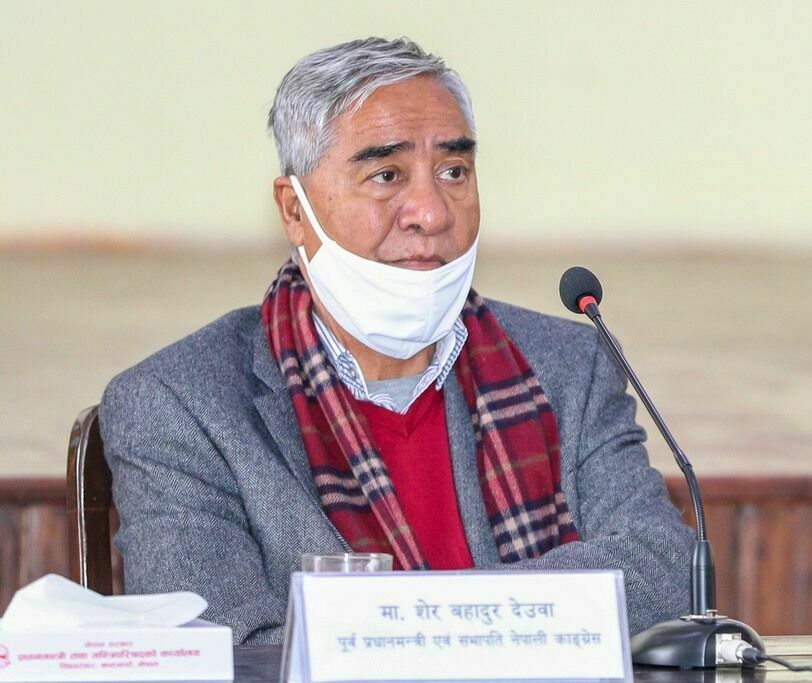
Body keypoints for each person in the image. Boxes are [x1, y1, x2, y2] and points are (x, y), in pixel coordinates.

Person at [100, 37, 695, 645]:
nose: (431, 213)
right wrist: (503, 620)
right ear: (295, 211)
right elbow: (222, 647)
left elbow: (665, 573)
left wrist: (396, 624)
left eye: (453, 172)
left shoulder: (568, 366)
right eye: (386, 176)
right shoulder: (180, 404)